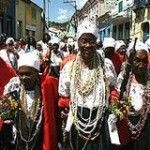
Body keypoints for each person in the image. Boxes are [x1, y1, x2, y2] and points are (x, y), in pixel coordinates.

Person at [58, 20, 115, 150]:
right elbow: (64, 95)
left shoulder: (106, 65)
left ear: (96, 42)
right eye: (84, 41)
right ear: (78, 42)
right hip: (77, 121)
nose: (88, 45)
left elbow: (113, 89)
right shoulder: (69, 68)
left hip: (100, 122)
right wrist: (66, 109)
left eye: (91, 41)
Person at [3, 52, 59, 150]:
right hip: (20, 140)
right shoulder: (14, 89)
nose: (23, 78)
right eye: (21, 74)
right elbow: (5, 115)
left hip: (39, 140)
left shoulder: (44, 91)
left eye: (28, 74)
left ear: (37, 74)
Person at [113, 41, 150, 149]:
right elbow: (116, 101)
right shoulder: (123, 79)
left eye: (144, 61)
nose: (141, 65)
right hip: (125, 128)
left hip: (146, 128)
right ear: (130, 60)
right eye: (137, 60)